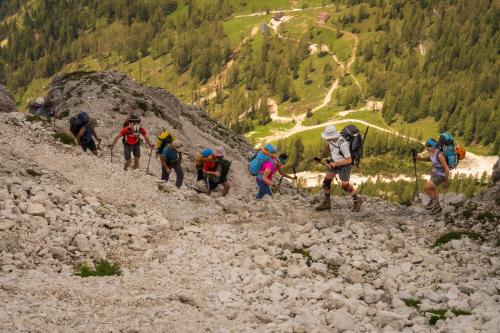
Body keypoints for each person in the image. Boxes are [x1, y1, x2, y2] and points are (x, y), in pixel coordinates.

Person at [315, 125, 363, 212]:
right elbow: (328, 147)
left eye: (327, 137)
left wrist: (335, 164)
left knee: (345, 186)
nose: (326, 139)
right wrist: (320, 157)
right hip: (334, 162)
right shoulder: (331, 140)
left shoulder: (343, 144)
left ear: (333, 136)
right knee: (326, 182)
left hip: (344, 166)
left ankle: (357, 200)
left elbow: (349, 160)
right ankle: (327, 203)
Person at [415, 138, 450, 214]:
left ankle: (434, 202)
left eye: (428, 146)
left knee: (426, 188)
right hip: (435, 173)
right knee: (433, 189)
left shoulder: (440, 155)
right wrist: (419, 159)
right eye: (426, 146)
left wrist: (446, 182)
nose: (426, 148)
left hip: (441, 175)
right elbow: (429, 159)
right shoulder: (432, 152)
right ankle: (437, 208)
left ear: (433, 146)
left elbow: (447, 169)